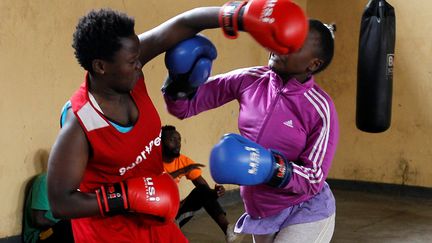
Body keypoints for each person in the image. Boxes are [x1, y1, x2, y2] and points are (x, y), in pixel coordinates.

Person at [46, 1, 308, 242]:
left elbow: (185, 24)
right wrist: (124, 196)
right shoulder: (80, 125)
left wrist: (240, 16)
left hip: (154, 216)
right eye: (132, 61)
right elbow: (60, 202)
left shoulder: (128, 69)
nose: (140, 65)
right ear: (101, 66)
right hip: (108, 233)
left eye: (138, 57)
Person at [164, 20, 339, 243]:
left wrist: (272, 167)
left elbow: (314, 176)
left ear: (313, 64)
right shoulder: (250, 80)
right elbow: (187, 106)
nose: (279, 47)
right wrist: (179, 84)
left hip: (305, 210)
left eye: (293, 46)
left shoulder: (320, 108)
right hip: (261, 211)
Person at [161, 125, 238, 242]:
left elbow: (204, 189)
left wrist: (215, 193)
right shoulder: (153, 161)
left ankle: (228, 230)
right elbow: (158, 183)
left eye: (179, 139)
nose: (177, 143)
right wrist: (182, 171)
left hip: (174, 211)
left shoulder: (183, 161)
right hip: (156, 215)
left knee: (202, 191)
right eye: (172, 140)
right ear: (160, 143)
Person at [23, 173, 74, 243]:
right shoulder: (45, 180)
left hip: (58, 230)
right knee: (70, 225)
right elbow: (39, 220)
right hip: (39, 236)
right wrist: (60, 226)